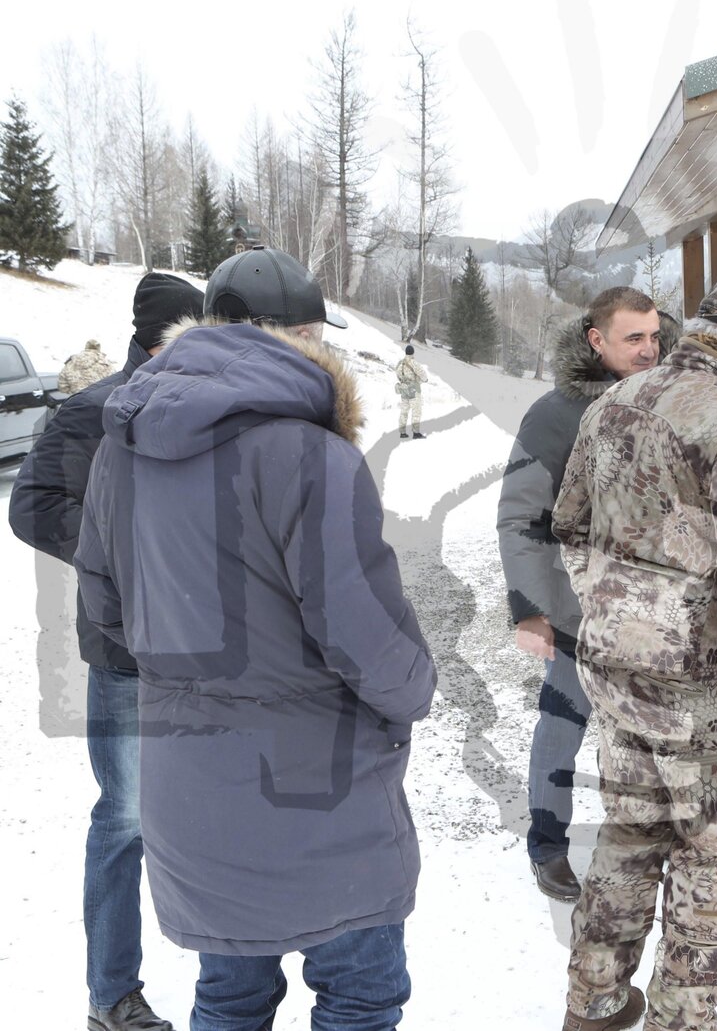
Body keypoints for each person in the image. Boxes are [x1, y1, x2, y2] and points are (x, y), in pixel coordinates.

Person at [72, 246, 437, 1031]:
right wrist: (413, 696)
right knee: (360, 998)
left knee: (232, 997)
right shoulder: (314, 455)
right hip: (319, 800)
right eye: (315, 334)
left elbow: (107, 612)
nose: (326, 352)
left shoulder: (122, 450)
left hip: (194, 797)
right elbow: (369, 641)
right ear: (282, 339)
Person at [552, 276, 717, 1031]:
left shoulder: (612, 402)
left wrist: (617, 610)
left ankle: (593, 1000)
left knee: (628, 833)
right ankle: (682, 1021)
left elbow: (568, 525)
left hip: (618, 674)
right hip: (703, 691)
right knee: (708, 859)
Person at [9, 271, 205, 1031]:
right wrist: (119, 553)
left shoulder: (212, 409)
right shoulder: (90, 412)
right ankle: (111, 994)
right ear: (158, 338)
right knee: (126, 818)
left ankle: (235, 978)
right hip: (125, 652)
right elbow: (31, 507)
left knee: (221, 805)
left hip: (209, 653)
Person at [497, 286, 665, 902]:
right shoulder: (554, 415)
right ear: (596, 341)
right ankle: (547, 842)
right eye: (633, 339)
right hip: (581, 612)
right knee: (564, 722)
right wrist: (532, 609)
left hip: (659, 614)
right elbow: (520, 519)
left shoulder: (673, 401)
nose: (649, 350)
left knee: (652, 736)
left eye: (654, 336)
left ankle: (647, 840)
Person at [395, 343, 429, 438]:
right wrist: (425, 380)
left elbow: (397, 374)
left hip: (404, 390)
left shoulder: (400, 363)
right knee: (416, 411)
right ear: (413, 353)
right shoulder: (413, 362)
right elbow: (422, 373)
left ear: (405, 352)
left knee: (404, 411)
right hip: (413, 389)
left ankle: (402, 432)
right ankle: (416, 433)